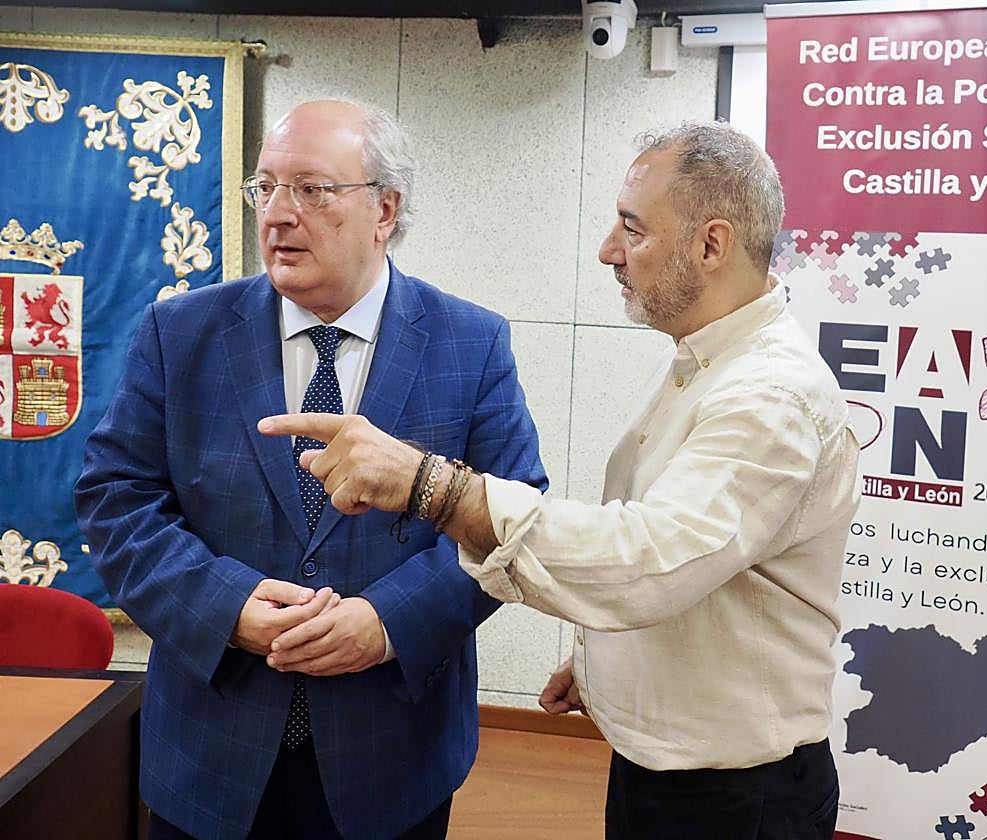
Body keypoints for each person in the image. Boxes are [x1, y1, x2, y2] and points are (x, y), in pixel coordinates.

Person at [260, 121, 859, 840]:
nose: (609, 250)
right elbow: (704, 558)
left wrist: (433, 487)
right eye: (267, 188)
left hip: (733, 796)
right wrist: (609, 663)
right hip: (670, 766)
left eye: (633, 229)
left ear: (711, 245)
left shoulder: (768, 397)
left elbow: (648, 560)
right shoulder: (703, 361)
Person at [75, 99, 546, 840]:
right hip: (210, 746)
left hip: (391, 750)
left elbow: (514, 515)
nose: (277, 214)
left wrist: (386, 622)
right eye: (265, 187)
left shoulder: (470, 342)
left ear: (384, 209)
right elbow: (115, 500)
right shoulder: (180, 331)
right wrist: (227, 606)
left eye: (312, 189)